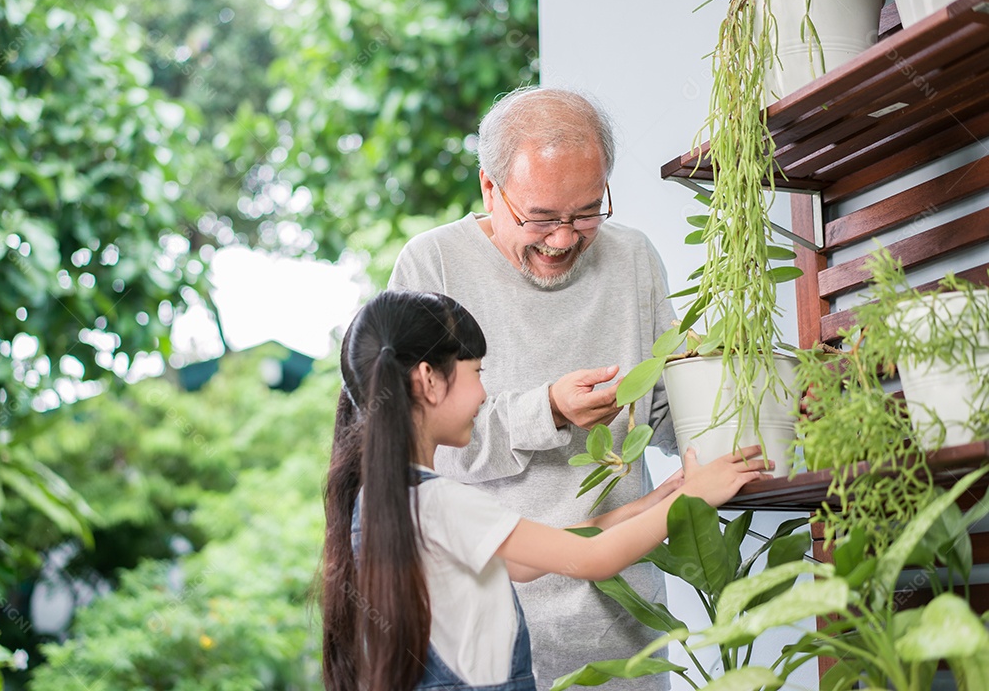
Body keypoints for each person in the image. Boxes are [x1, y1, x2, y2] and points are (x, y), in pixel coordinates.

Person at [321, 290, 769, 691]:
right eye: (477, 371)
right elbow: (595, 559)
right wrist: (696, 497)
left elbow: (523, 562)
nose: (482, 393)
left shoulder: (385, 501)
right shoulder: (442, 500)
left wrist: (656, 503)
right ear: (429, 380)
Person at [387, 86, 683, 688]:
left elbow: (669, 412)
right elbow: (422, 442)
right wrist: (547, 409)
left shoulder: (634, 260)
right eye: (542, 217)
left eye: (587, 212)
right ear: (489, 188)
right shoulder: (431, 268)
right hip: (486, 633)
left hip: (628, 627)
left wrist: (758, 403)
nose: (564, 239)